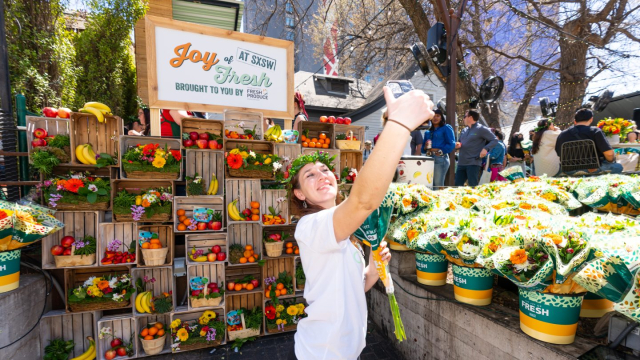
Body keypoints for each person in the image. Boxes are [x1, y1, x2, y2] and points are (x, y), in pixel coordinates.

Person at [288, 87, 434, 360]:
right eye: (309, 175)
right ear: (299, 194)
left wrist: (375, 269)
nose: (321, 175)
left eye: (324, 169)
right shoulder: (310, 227)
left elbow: (357, 286)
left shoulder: (348, 232)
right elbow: (363, 201)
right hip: (320, 352)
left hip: (347, 350)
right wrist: (399, 124)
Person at [555, 108, 623, 175]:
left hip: (569, 170)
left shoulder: (562, 134)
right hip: (593, 169)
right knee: (618, 167)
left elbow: (559, 153)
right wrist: (610, 161)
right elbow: (609, 154)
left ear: (575, 121)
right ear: (591, 119)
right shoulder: (595, 131)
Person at [454, 109, 499, 187]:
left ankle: (474, 199)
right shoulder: (464, 130)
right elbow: (460, 142)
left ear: (470, 117)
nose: (463, 119)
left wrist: (486, 149)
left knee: (472, 185)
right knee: (457, 185)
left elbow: (494, 140)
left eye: (465, 116)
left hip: (473, 162)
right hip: (461, 162)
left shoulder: (481, 129)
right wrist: (457, 145)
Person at [422, 109, 455, 188]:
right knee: (428, 184)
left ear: (441, 118)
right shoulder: (427, 132)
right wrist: (426, 147)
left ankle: (440, 200)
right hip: (429, 158)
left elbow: (451, 143)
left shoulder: (446, 128)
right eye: (433, 116)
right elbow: (422, 149)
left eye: (438, 116)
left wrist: (441, 151)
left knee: (438, 185)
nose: (435, 118)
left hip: (440, 158)